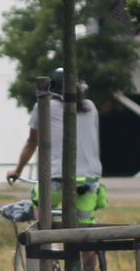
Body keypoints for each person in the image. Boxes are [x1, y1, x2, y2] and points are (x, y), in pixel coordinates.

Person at [6, 82, 106, 222]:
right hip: (88, 180)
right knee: (85, 227)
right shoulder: (90, 107)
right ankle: (86, 239)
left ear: (51, 91)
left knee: (41, 209)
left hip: (56, 179)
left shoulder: (43, 106)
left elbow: (32, 142)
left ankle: (46, 241)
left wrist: (17, 171)